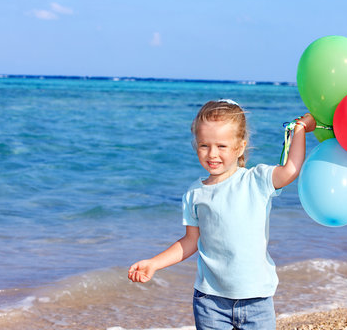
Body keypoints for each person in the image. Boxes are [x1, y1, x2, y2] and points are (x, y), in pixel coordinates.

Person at [128, 99, 316, 329]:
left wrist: (300, 130)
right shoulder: (195, 194)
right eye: (204, 145)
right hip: (210, 302)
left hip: (256, 299)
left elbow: (291, 169)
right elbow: (190, 241)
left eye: (222, 146)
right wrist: (154, 263)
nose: (212, 154)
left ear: (240, 147)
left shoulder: (255, 180)